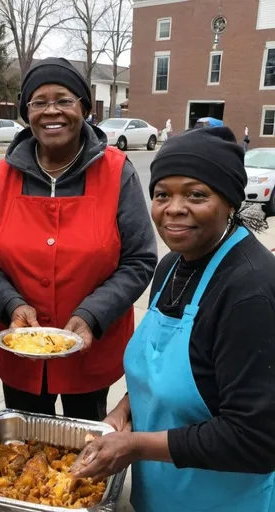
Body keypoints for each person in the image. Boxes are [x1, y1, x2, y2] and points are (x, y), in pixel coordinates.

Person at [71, 127, 275, 512]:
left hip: (221, 502)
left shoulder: (251, 292)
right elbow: (163, 367)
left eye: (196, 194)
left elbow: (257, 439)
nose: (174, 208)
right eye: (162, 194)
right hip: (161, 494)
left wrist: (135, 446)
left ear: (230, 201)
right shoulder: (170, 267)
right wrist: (125, 411)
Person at [0, 57, 157, 422]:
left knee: (83, 451)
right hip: (20, 351)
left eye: (64, 100)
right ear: (26, 112)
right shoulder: (6, 173)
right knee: (23, 451)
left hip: (91, 347)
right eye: (39, 102)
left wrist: (93, 314)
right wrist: (10, 305)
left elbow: (139, 260)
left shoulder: (117, 171)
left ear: (84, 108)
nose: (51, 111)